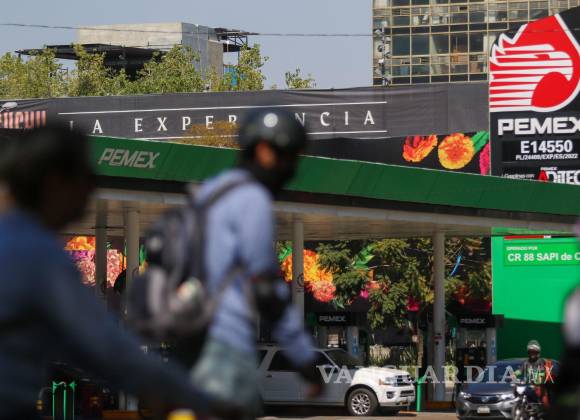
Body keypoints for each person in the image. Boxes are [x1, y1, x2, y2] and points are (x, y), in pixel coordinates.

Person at [0, 126, 233, 419]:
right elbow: (104, 346)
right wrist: (195, 398)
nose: (91, 189)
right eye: (86, 177)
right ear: (55, 181)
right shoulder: (37, 254)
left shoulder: (14, 240)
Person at [190, 109, 323, 418]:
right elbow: (265, 288)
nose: (292, 170)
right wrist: (304, 358)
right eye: (289, 158)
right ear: (264, 151)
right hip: (227, 348)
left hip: (190, 344)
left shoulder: (210, 190)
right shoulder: (252, 199)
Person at [515, 340, 552, 408]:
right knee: (522, 392)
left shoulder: (540, 362)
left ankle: (544, 410)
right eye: (531, 352)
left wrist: (538, 378)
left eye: (534, 352)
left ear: (537, 353)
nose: (532, 354)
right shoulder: (526, 362)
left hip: (540, 386)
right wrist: (513, 374)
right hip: (529, 385)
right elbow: (520, 370)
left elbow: (542, 372)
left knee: (544, 401)